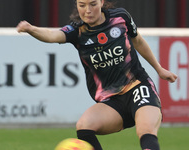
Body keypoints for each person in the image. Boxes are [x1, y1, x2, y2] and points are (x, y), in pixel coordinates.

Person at [17, 0, 177, 149]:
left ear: (101, 2)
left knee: (146, 130)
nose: (87, 10)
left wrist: (159, 69)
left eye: (93, 4)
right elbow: (52, 36)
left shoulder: (120, 17)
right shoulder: (77, 31)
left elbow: (138, 41)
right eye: (82, 5)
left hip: (138, 87)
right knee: (84, 126)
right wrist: (32, 29)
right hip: (112, 101)